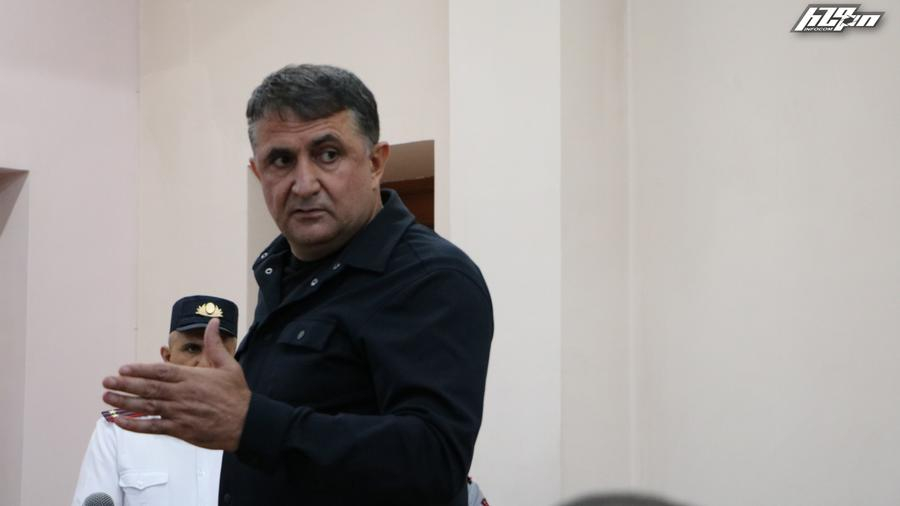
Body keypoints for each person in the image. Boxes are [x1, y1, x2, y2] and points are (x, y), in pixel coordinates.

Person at [101, 64, 494, 505]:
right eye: (281, 160)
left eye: (328, 154)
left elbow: (434, 462)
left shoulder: (430, 277)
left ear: (375, 163)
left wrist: (250, 423)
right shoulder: (283, 272)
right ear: (258, 173)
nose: (304, 184)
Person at [73, 295, 239, 506]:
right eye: (192, 348)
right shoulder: (120, 430)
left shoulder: (255, 432)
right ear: (167, 357)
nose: (205, 363)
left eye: (219, 350)